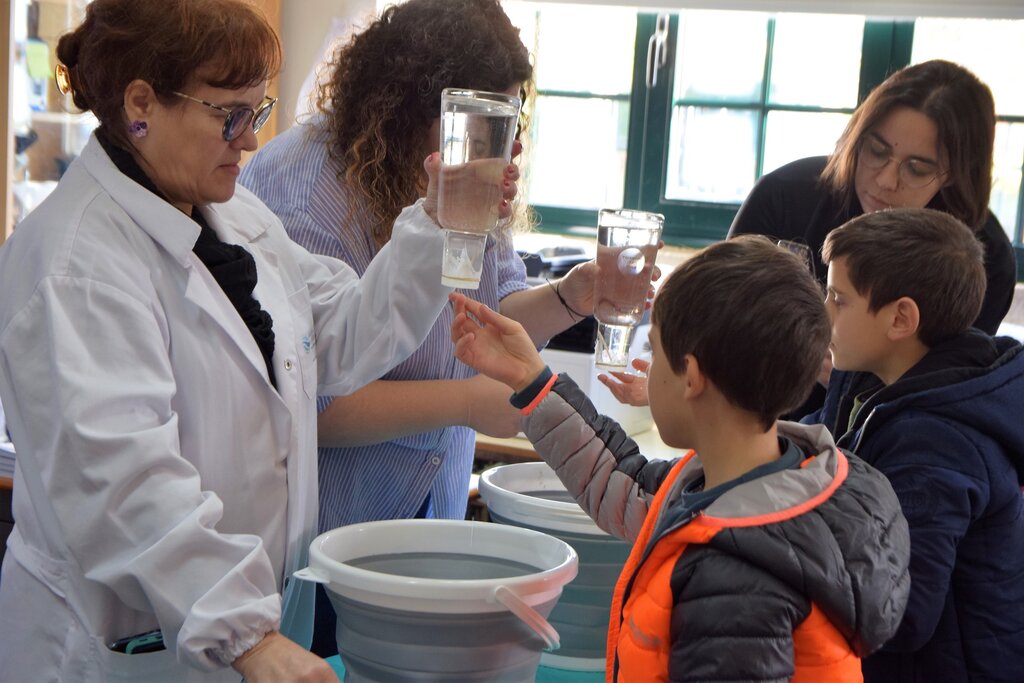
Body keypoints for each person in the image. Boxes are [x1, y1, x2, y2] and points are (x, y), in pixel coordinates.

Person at [0, 1, 518, 680]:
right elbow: (121, 484)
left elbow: (342, 337)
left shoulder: (234, 216)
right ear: (141, 105)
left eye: (257, 110)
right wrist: (246, 636)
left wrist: (436, 218)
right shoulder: (76, 264)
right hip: (123, 646)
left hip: (244, 624)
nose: (249, 140)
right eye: (230, 116)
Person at [239, 0, 602, 656]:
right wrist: (466, 402)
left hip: (427, 515)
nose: (503, 149)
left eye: (512, 121)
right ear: (410, 111)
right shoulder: (305, 190)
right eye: (485, 125)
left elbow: (489, 312)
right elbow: (308, 401)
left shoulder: (462, 171)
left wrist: (572, 298)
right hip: (325, 543)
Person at [449, 236, 911, 681]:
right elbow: (622, 481)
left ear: (691, 377)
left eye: (653, 348)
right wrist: (530, 378)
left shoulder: (731, 586)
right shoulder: (764, 480)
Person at [808, 208, 1024, 682]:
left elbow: (899, 613)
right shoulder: (873, 380)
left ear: (901, 318)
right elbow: (817, 445)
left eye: (838, 299)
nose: (824, 312)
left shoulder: (937, 445)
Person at [729, 59, 1015, 337]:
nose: (885, 180)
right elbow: (721, 320)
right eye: (877, 151)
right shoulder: (783, 196)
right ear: (856, 138)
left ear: (954, 174)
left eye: (916, 169)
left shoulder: (984, 258)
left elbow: (958, 367)